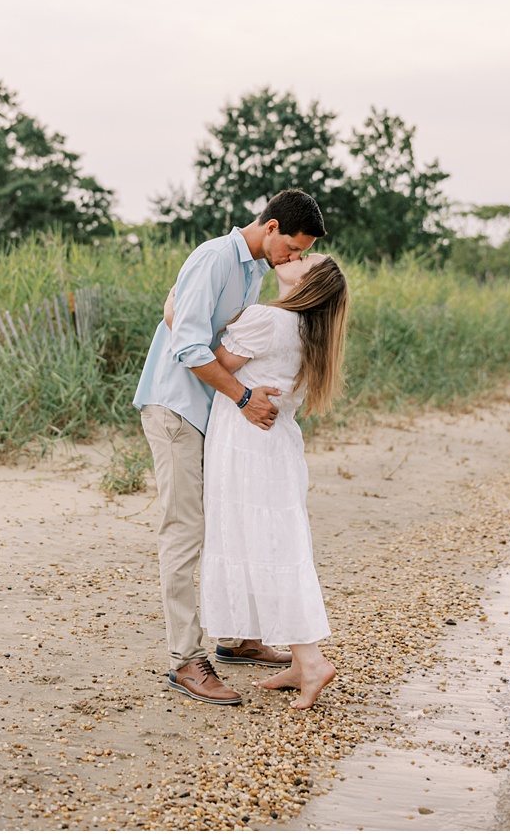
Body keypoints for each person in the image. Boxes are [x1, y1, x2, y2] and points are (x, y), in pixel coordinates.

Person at [130, 188, 326, 705]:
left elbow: (225, 340)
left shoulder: (255, 269)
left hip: (211, 414)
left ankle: (238, 639)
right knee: (184, 529)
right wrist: (242, 397)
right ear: (272, 226)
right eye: (293, 247)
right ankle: (184, 660)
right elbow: (188, 345)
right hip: (177, 407)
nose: (292, 258)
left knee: (227, 518)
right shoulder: (215, 257)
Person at [187, 253, 349, 709]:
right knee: (278, 546)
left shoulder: (267, 319)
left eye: (306, 258)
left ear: (308, 282)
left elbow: (212, 362)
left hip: (247, 445)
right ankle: (300, 661)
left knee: (263, 547)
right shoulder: (311, 330)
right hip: (278, 447)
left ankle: (311, 662)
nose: (296, 256)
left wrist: (177, 316)